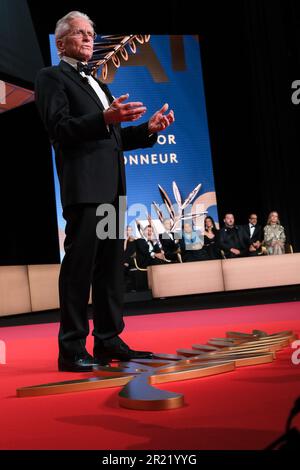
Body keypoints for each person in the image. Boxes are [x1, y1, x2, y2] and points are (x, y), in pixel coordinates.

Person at [35, 11, 175, 372]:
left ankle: (109, 340)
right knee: (81, 267)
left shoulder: (99, 83)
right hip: (85, 191)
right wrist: (105, 119)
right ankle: (71, 348)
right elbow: (60, 128)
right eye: (79, 33)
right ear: (60, 42)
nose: (88, 39)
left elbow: (111, 140)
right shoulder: (52, 77)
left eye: (91, 34)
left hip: (112, 192)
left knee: (111, 267)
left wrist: (146, 129)